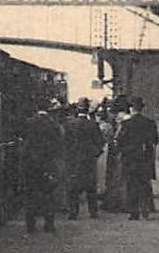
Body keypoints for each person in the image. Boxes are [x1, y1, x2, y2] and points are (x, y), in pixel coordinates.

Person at [21, 100, 66, 233]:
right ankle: (49, 224)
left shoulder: (29, 123)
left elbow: (25, 143)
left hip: (31, 164)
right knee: (48, 194)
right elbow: (58, 145)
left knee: (30, 193)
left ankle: (30, 225)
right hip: (48, 164)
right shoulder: (53, 124)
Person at [115, 97, 159, 220]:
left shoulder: (126, 124)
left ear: (131, 108)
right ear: (142, 108)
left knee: (131, 185)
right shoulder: (150, 123)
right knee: (144, 185)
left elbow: (119, 141)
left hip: (130, 159)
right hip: (145, 158)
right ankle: (145, 210)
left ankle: (134, 212)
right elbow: (155, 139)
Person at [60, 104, 105, 219]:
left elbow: (65, 142)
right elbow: (100, 141)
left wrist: (68, 156)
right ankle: (93, 211)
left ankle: (73, 212)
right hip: (89, 159)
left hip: (74, 159)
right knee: (90, 185)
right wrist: (96, 154)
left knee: (73, 185)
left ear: (77, 111)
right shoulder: (93, 124)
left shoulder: (69, 125)